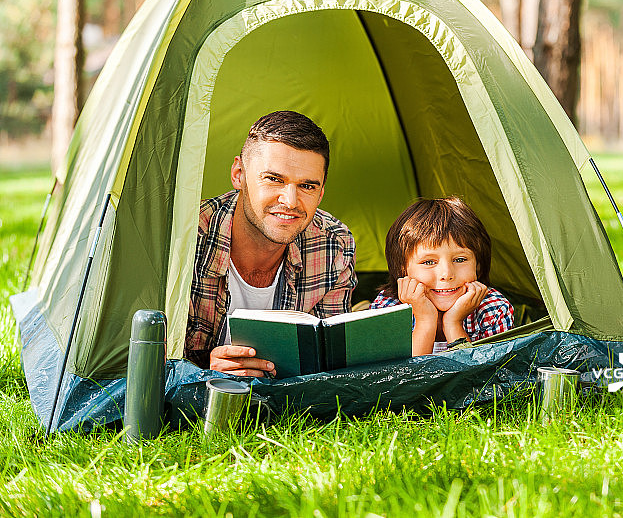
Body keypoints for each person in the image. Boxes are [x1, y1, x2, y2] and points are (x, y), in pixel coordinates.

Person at [185, 111, 356, 376]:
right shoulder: (187, 239)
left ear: (321, 192)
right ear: (238, 174)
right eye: (274, 179)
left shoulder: (333, 246)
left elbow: (330, 365)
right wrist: (202, 372)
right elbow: (142, 357)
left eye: (307, 187)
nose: (290, 201)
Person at [370, 197, 513, 356]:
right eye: (429, 262)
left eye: (460, 259)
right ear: (403, 270)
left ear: (478, 265)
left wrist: (453, 324)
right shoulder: (389, 309)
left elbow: (483, 377)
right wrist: (425, 321)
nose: (447, 274)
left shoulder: (492, 308)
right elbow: (405, 379)